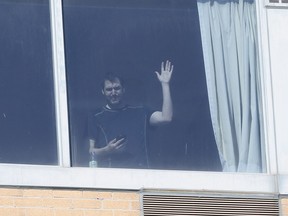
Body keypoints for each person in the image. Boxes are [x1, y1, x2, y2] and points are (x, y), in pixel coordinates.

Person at [88, 60, 173, 168]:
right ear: (103, 92)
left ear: (123, 89)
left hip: (141, 175)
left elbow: (166, 118)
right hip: (111, 178)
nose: (113, 93)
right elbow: (91, 152)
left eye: (117, 88)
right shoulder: (96, 116)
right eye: (109, 89)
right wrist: (108, 150)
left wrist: (165, 84)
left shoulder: (140, 112)